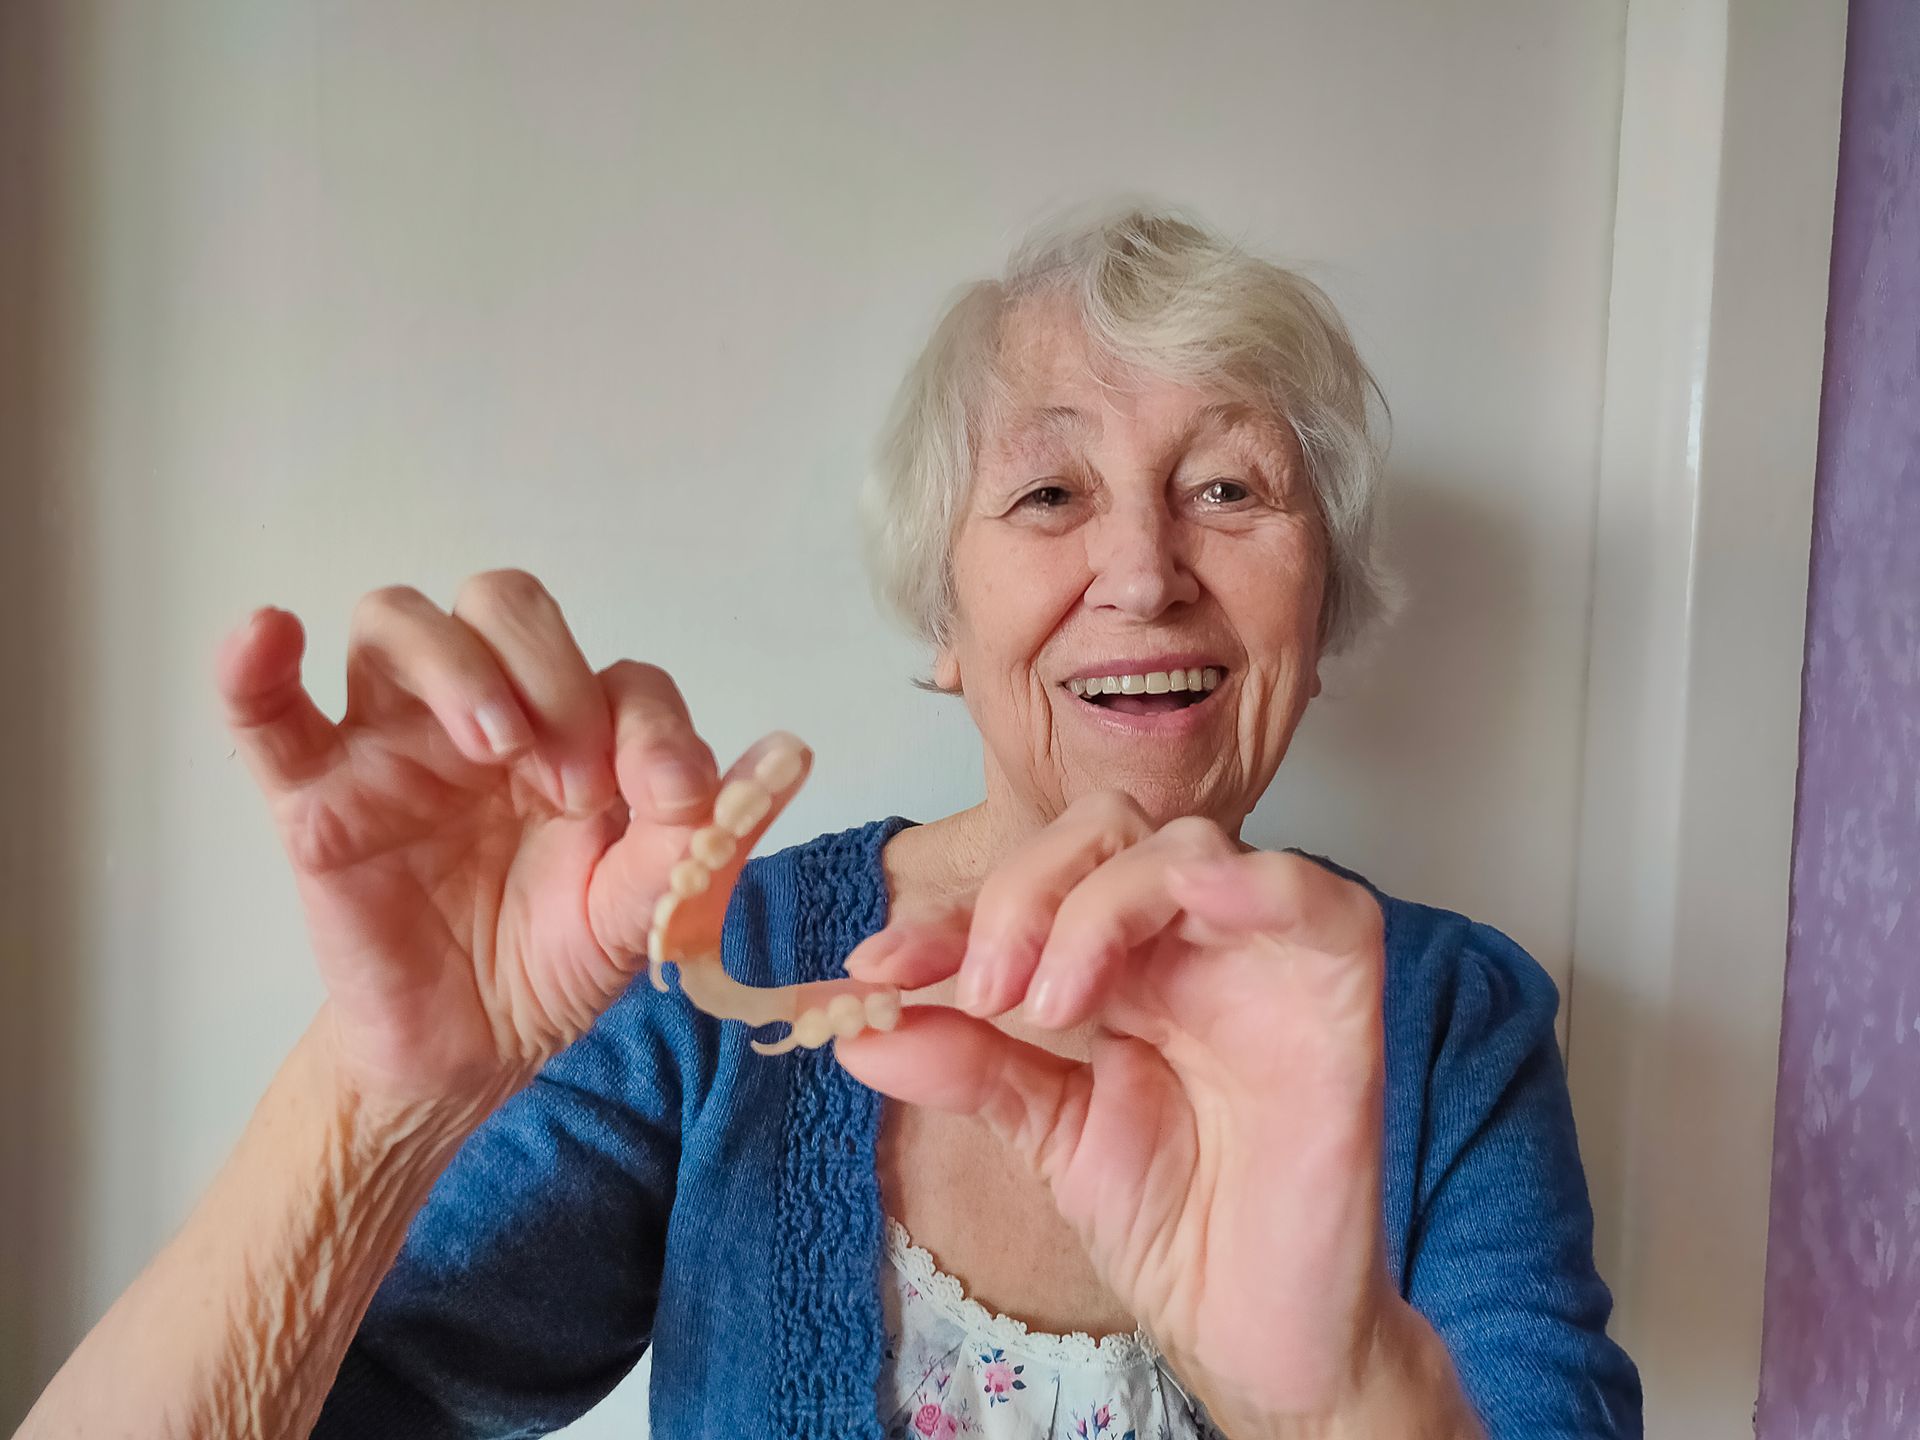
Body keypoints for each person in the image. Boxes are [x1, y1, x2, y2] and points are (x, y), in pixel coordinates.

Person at [21, 206, 1642, 1439]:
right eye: (1050, 494)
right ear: (941, 617)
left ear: (1324, 596)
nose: (1145, 572)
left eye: (1229, 489)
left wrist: (1349, 1399)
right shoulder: (720, 975)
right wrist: (377, 1100)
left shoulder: (1450, 1023)